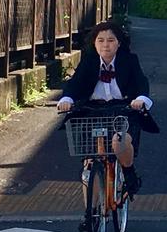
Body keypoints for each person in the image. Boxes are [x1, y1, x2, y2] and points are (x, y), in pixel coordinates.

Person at [56, 22, 154, 193]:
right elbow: (74, 84)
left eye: (110, 40)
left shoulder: (129, 60)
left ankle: (129, 172)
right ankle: (90, 216)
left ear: (119, 43)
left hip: (123, 109)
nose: (105, 45)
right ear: (94, 43)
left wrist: (141, 99)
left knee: (118, 141)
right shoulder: (88, 61)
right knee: (88, 164)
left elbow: (141, 82)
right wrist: (66, 99)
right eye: (100, 40)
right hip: (92, 110)